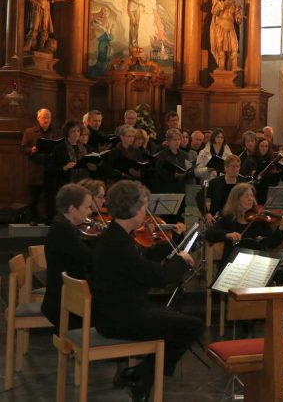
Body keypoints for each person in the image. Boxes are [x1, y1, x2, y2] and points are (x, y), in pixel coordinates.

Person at [92, 180, 201, 401]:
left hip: (117, 311)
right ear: (134, 209)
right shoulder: (119, 243)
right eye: (144, 206)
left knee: (178, 320)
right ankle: (141, 375)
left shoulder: (116, 235)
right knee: (193, 326)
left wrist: (170, 251)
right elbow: (158, 278)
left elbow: (139, 264)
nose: (146, 211)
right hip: (122, 319)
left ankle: (141, 377)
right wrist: (180, 262)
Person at [41, 184, 94, 328]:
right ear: (72, 209)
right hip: (64, 304)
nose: (90, 212)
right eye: (87, 207)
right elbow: (90, 259)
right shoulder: (63, 231)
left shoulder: (63, 225)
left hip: (67, 297)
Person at [205, 183, 283, 267]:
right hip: (232, 263)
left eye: (252, 196)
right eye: (247, 196)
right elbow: (209, 234)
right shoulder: (228, 218)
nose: (251, 199)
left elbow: (271, 243)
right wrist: (227, 235)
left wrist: (281, 228)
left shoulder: (259, 219)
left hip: (256, 264)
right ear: (237, 199)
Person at [47, 120, 92, 222]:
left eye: (77, 131)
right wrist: (64, 167)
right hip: (66, 183)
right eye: (73, 131)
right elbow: (50, 169)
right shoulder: (59, 149)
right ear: (67, 133)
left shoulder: (86, 148)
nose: (76, 133)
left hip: (84, 183)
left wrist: (92, 167)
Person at [21, 108, 60, 225]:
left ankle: (50, 219)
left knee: (51, 197)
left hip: (51, 168)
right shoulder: (29, 132)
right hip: (36, 168)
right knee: (34, 197)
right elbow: (22, 148)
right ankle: (32, 219)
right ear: (38, 119)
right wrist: (31, 150)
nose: (46, 119)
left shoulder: (57, 132)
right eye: (44, 117)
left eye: (48, 117)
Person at [198, 154, 242, 225]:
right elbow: (199, 196)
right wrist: (206, 213)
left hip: (236, 221)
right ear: (226, 168)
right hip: (217, 221)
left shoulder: (242, 184)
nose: (236, 169)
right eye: (233, 166)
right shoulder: (214, 183)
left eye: (238, 166)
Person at [209, 0, 243, 70]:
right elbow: (214, 12)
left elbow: (237, 19)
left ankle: (234, 67)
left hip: (230, 28)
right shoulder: (221, 4)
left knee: (235, 47)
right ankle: (221, 68)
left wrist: (239, 18)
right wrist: (218, 5)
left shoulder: (235, 6)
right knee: (220, 49)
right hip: (221, 27)